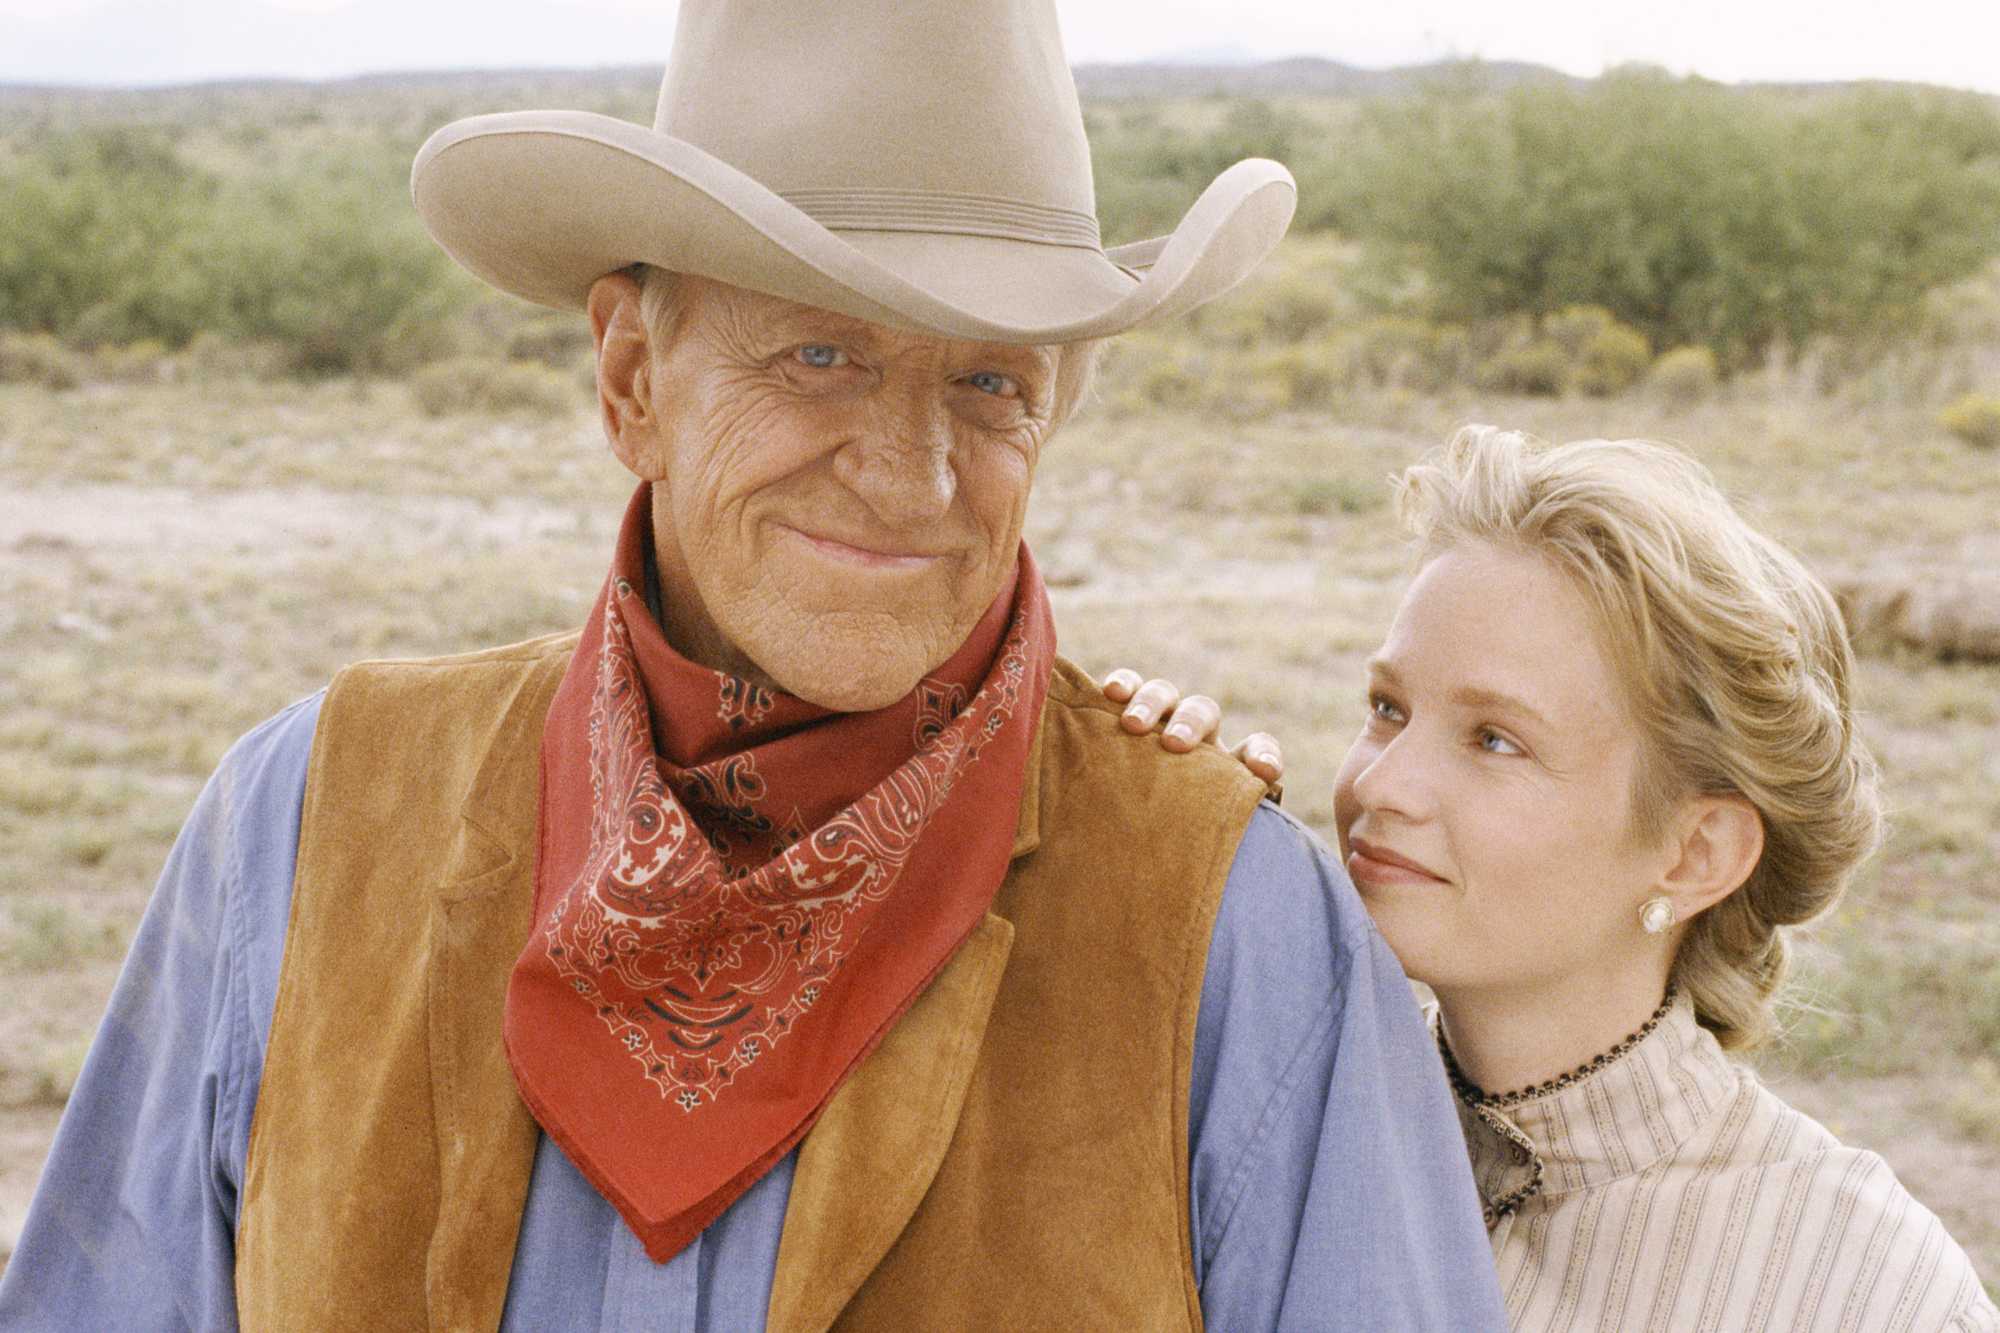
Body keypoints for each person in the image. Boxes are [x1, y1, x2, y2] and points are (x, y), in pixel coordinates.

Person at [0, 3, 1506, 1329]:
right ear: (633, 381)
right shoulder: (302, 826)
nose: (915, 478)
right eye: (821, 357)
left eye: (991, 383)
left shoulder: (1229, 927)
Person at [1109, 426, 1999, 1331]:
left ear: (1698, 853)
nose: (1380, 785)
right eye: (1388, 708)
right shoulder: (1257, 1110)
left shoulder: (1864, 1291)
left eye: (1495, 739)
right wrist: (1140, 826)